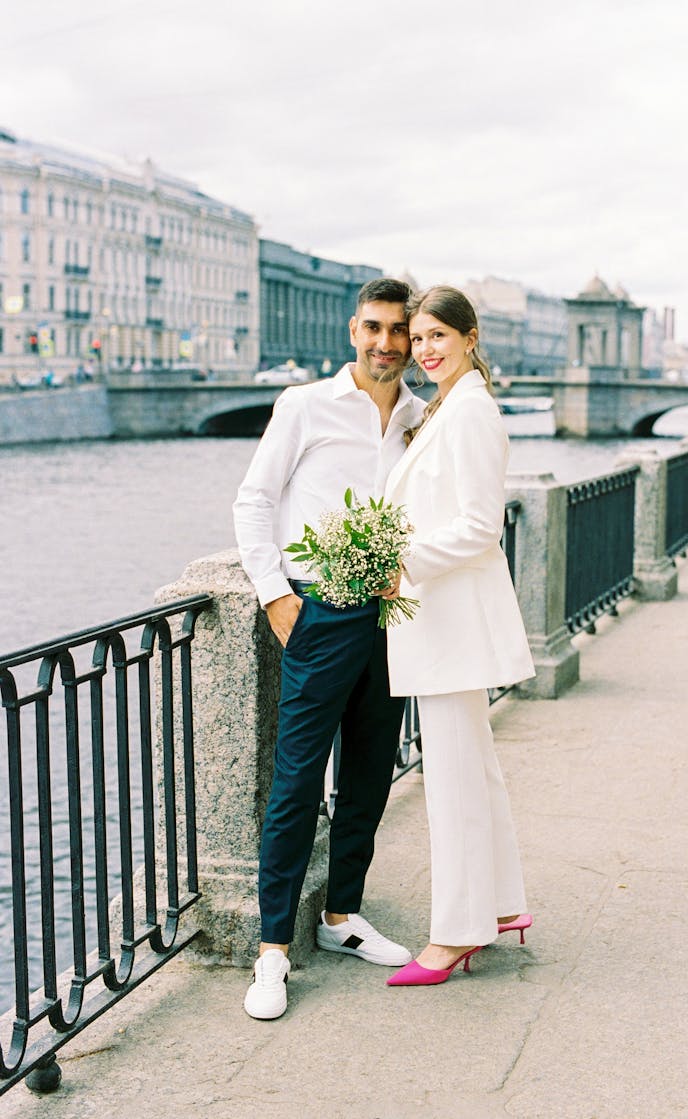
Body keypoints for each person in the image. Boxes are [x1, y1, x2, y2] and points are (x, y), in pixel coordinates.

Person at [233, 277, 424, 1019]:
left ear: (413, 339)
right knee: (295, 783)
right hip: (317, 610)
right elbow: (254, 498)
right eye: (373, 327)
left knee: (372, 772)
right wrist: (277, 595)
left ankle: (342, 915)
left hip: (387, 614)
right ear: (353, 330)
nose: (385, 342)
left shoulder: (418, 417)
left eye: (398, 330)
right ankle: (272, 951)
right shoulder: (304, 404)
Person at [380, 285, 536, 987]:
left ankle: (454, 935)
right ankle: (500, 908)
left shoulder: (469, 411)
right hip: (447, 621)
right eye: (418, 339)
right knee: (474, 770)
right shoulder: (455, 406)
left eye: (439, 334)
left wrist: (401, 563)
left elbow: (480, 524)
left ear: (471, 337)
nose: (426, 349)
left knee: (452, 782)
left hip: (446, 620)